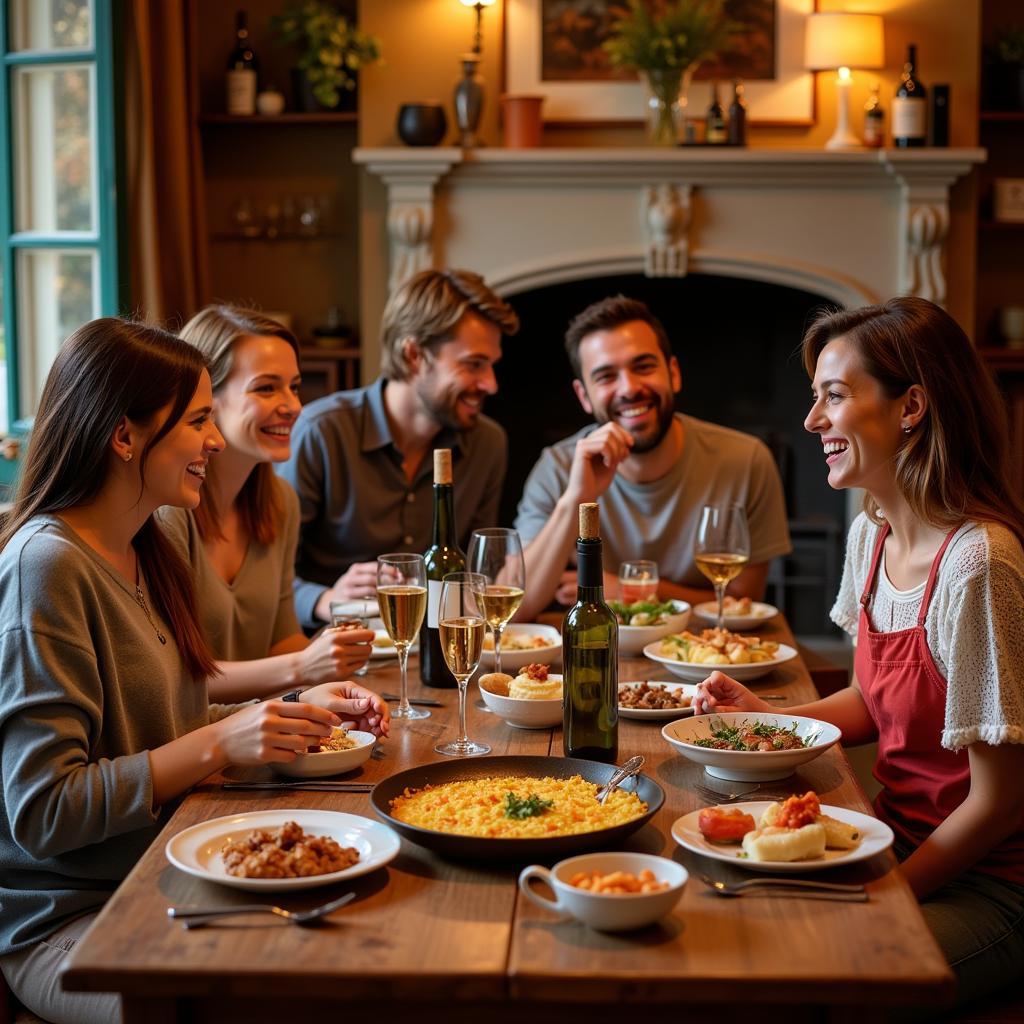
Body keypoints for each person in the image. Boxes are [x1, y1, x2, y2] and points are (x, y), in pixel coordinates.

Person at [0, 319, 385, 1024]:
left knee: (361, 950)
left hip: (172, 872)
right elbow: (42, 812)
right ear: (125, 437)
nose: (214, 440)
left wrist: (287, 713)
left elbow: (158, 723)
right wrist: (222, 742)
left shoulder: (145, 543)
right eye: (199, 420)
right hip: (75, 922)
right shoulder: (45, 567)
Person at [696, 297, 1024, 1014]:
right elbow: (876, 700)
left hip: (990, 887)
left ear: (911, 406)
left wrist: (884, 892)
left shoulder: (979, 564)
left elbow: (999, 804)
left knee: (805, 983)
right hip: (892, 839)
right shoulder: (870, 537)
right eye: (814, 398)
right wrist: (770, 720)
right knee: (726, 925)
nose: (813, 420)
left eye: (834, 396)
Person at [160, 305, 384, 717]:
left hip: (265, 731)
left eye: (294, 387)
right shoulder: (168, 512)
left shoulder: (280, 503)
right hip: (195, 741)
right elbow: (176, 680)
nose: (293, 406)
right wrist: (303, 664)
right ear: (206, 400)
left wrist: (338, 679)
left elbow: (283, 640)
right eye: (266, 389)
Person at [515, 295, 791, 619]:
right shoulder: (558, 467)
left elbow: (743, 601)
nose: (629, 388)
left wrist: (634, 589)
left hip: (703, 658)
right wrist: (576, 497)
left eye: (643, 367)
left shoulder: (747, 461)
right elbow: (512, 609)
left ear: (673, 373)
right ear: (583, 396)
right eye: (606, 376)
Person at [278, 268, 520, 628]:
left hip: (440, 651)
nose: (491, 384)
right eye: (473, 365)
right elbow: (269, 578)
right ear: (413, 356)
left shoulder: (488, 443)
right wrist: (328, 598)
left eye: (491, 366)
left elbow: (473, 570)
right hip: (332, 649)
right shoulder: (321, 433)